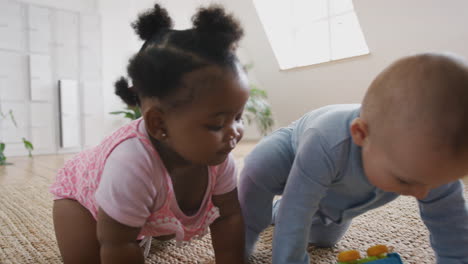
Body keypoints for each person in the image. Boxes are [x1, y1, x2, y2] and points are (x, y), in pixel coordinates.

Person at [50, 3, 249, 264]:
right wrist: (125, 242)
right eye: (217, 123)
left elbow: (229, 216)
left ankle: (141, 225)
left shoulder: (219, 158)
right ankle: (135, 224)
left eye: (238, 117)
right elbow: (117, 243)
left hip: (141, 201)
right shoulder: (130, 165)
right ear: (159, 125)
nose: (234, 132)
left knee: (141, 219)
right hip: (81, 203)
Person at [239, 53, 468, 264]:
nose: (422, 193)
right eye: (406, 180)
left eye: (435, 182)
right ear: (361, 134)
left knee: (325, 239)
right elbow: (296, 211)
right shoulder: (326, 142)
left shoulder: (432, 165)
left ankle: (276, 212)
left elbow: (452, 226)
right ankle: (244, 234)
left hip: (338, 193)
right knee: (260, 168)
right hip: (292, 154)